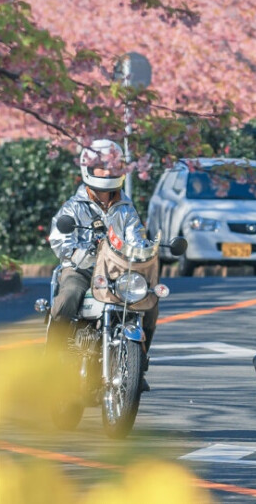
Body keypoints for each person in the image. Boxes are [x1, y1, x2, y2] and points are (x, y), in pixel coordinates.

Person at [47, 139, 158, 372]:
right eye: (101, 166)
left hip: (117, 272)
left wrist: (143, 249)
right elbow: (60, 239)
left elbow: (136, 237)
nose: (108, 171)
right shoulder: (73, 207)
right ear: (87, 168)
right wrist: (78, 254)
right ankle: (54, 353)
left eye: (113, 166)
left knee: (149, 300)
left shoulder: (126, 208)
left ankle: (139, 361)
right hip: (82, 269)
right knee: (68, 295)